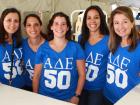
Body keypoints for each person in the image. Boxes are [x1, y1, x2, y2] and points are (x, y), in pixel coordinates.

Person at [33, 12, 86, 104]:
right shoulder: (42, 49)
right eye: (56, 23)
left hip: (68, 98)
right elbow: (36, 76)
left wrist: (77, 95)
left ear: (68, 27)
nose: (60, 27)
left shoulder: (76, 47)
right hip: (45, 97)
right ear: (51, 27)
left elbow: (82, 74)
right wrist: (35, 96)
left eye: (63, 24)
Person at [103, 6, 140, 105]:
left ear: (132, 23)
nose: (121, 26)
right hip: (107, 96)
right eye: (116, 23)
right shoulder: (112, 43)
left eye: (125, 21)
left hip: (127, 100)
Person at [78, 5, 109, 105]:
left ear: (101, 19)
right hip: (81, 86)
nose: (92, 21)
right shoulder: (81, 38)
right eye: (89, 18)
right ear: (85, 20)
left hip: (98, 88)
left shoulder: (109, 40)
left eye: (96, 17)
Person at [0, 8, 24, 88]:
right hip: (5, 89)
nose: (12, 24)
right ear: (2, 21)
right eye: (9, 20)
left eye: (16, 21)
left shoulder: (21, 41)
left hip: (23, 88)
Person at [22, 14, 46, 91]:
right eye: (29, 25)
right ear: (25, 28)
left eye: (36, 25)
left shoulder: (50, 45)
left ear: (41, 27)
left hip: (46, 89)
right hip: (27, 87)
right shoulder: (21, 45)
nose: (33, 28)